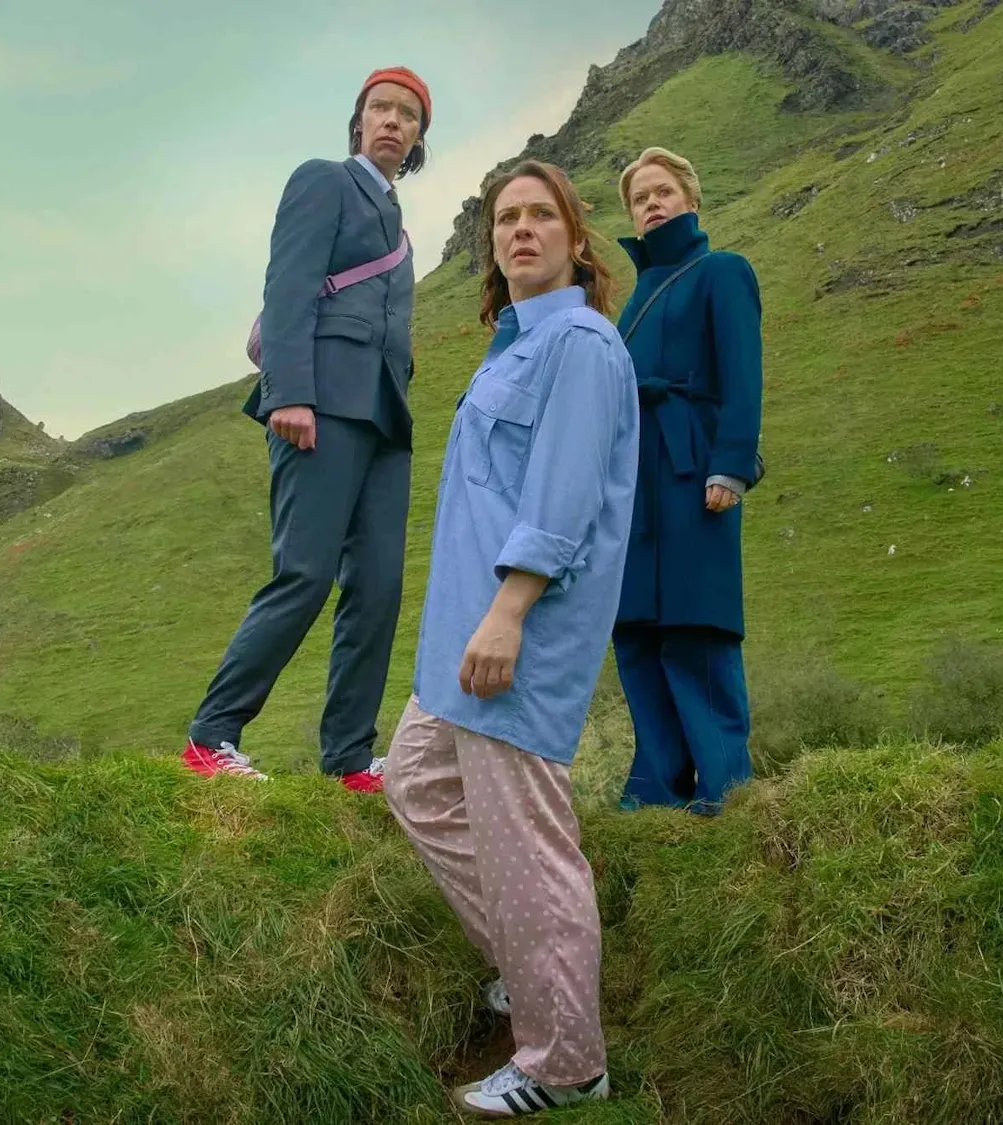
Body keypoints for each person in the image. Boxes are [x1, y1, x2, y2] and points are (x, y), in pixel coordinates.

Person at [382, 160, 637, 1117]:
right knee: (415, 779)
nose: (520, 230)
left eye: (541, 216)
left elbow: (564, 497)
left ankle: (566, 1062)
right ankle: (535, 974)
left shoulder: (580, 343)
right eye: (505, 218)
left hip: (514, 633)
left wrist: (509, 611)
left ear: (576, 238)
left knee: (529, 844)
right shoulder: (515, 344)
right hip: (466, 632)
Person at [180, 66, 432, 793]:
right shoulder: (324, 180)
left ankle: (350, 757)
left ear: (418, 138)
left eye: (407, 115)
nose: (391, 120)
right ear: (359, 122)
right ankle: (210, 737)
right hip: (317, 405)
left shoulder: (401, 230)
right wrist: (290, 392)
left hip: (384, 419)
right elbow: (287, 285)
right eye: (380, 108)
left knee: (379, 585)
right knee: (306, 574)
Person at [611, 146, 764, 814]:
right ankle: (655, 789)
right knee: (637, 626)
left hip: (691, 464)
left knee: (696, 624)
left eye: (662, 191)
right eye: (640, 197)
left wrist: (730, 464)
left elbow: (742, 372)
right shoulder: (635, 297)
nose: (651, 203)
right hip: (633, 481)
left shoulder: (723, 272)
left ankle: (725, 786)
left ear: (691, 199)